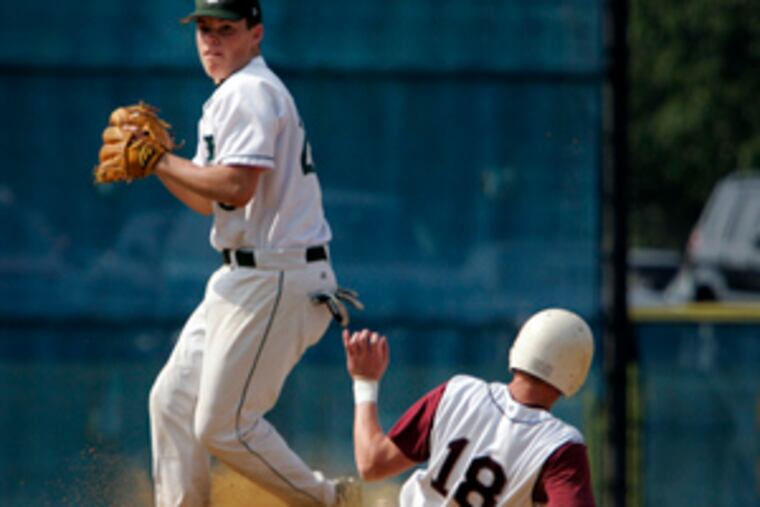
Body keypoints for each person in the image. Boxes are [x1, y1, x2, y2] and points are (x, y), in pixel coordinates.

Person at [148, 1, 359, 505]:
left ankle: (331, 501)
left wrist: (159, 157)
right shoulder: (232, 94)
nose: (211, 40)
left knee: (225, 427)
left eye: (226, 29)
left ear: (256, 34)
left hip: (277, 276)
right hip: (246, 276)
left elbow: (237, 186)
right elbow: (208, 199)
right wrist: (157, 167)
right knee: (172, 401)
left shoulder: (249, 91)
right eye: (203, 28)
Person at [342, 308, 597, 506]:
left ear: (519, 348)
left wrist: (365, 382)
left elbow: (372, 463)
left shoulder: (458, 392)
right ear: (575, 375)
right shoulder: (561, 447)